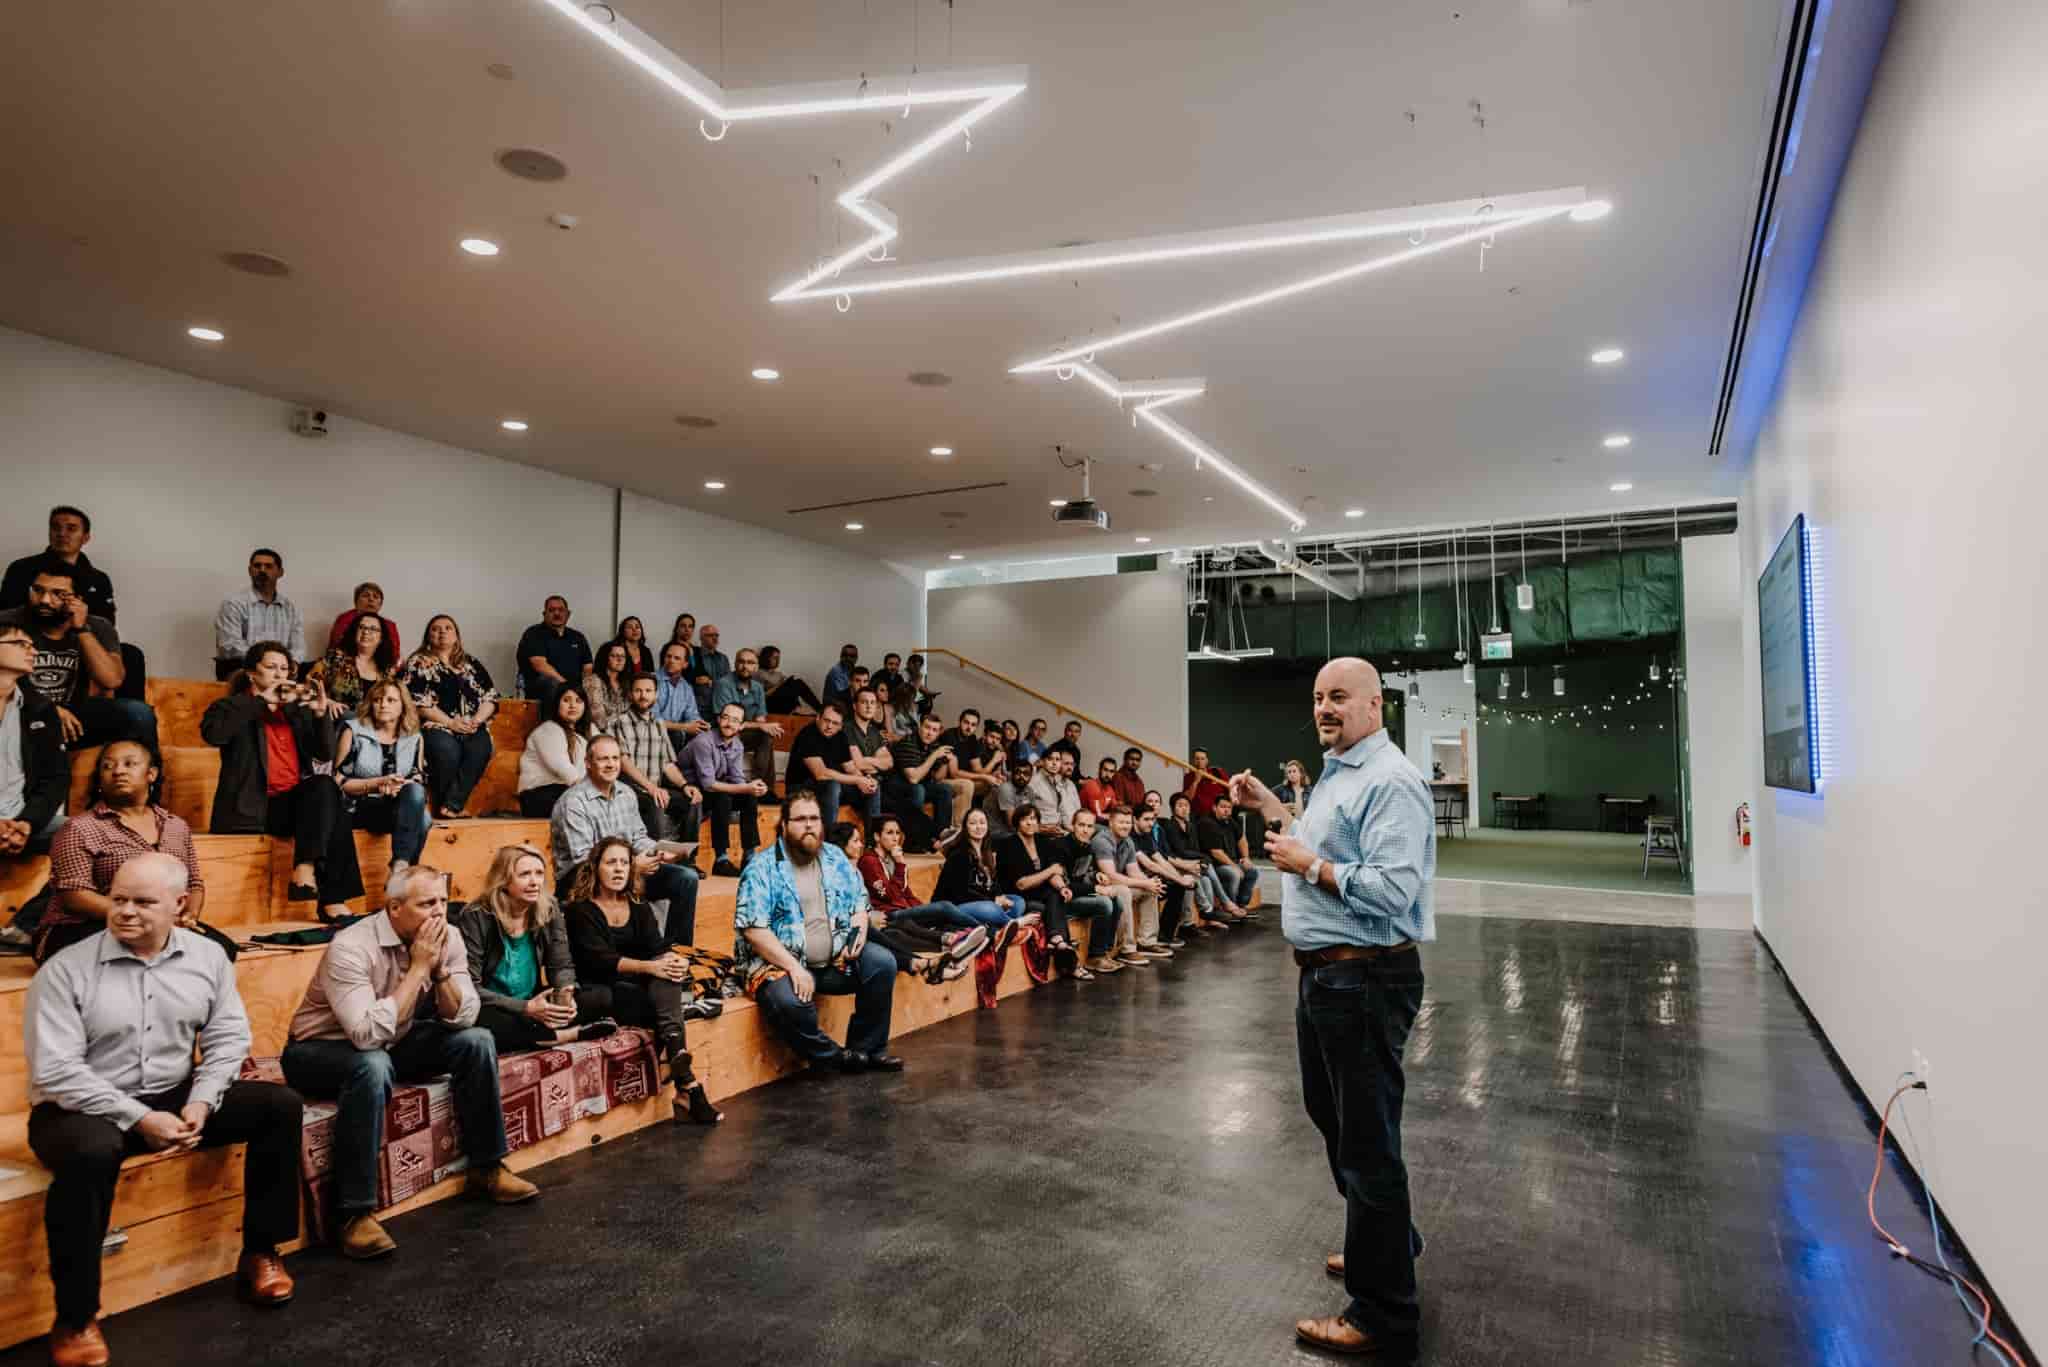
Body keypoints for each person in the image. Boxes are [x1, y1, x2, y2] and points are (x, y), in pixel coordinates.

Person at [1227, 657, 1436, 1359]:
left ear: (1375, 704)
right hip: (1328, 977)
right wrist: (1271, 809)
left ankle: (1383, 1313)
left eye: (1339, 697)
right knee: (1338, 1117)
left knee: (1367, 1140)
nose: (1325, 707)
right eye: (1319, 697)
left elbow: (1392, 892)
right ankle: (1388, 1244)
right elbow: (1318, 844)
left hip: (1365, 978)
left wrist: (1308, 866)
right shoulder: (1341, 773)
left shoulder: (1392, 781)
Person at [26, 854, 302, 1362]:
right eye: (119, 898)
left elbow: (226, 1038)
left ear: (179, 905)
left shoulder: (208, 958)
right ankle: (76, 1317)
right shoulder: (66, 970)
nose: (126, 911)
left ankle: (262, 1251)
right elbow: (56, 1072)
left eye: (143, 902)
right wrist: (140, 1119)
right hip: (78, 1107)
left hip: (173, 1092)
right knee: (92, 1153)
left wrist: (201, 1100)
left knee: (278, 1105)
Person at [282, 865, 538, 1260]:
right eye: (426, 904)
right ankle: (353, 1214)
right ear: (394, 907)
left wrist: (437, 976)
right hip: (317, 1050)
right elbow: (365, 1035)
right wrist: (418, 966)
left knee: (476, 1040)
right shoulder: (350, 946)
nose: (438, 912)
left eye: (441, 901)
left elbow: (464, 1015)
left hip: (394, 1037)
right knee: (372, 1065)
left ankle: (487, 1167)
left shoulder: (447, 936)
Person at [734, 789, 904, 1073]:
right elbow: (754, 929)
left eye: (814, 818)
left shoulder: (834, 856)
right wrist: (794, 968)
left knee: (882, 962)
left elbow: (860, 901)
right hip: (781, 965)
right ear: (784, 825)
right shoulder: (762, 867)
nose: (809, 825)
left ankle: (867, 1050)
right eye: (800, 819)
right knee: (787, 1002)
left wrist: (859, 928)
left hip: (835, 960)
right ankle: (832, 1057)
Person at [564, 836, 723, 1125]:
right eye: (611, 862)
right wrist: (652, 967)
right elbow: (601, 962)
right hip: (602, 987)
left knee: (668, 979)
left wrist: (673, 962)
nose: (618, 869)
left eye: (624, 862)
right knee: (658, 995)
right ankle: (687, 1082)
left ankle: (686, 1084)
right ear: (595, 867)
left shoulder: (638, 906)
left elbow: (657, 948)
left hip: (639, 983)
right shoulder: (580, 911)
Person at [202, 642, 363, 922]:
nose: (279, 674)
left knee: (325, 786)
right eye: (271, 667)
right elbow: (214, 734)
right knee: (331, 807)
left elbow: (324, 753)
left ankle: (305, 868)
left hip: (290, 808)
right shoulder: (230, 706)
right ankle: (332, 901)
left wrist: (320, 713)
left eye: (285, 669)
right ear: (252, 674)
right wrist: (262, 700)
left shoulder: (294, 712)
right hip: (249, 810)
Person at [40, 741, 207, 964]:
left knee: (219, 950)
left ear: (151, 774)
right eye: (108, 767)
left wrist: (188, 915)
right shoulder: (79, 827)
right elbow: (75, 896)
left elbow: (194, 883)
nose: (118, 771)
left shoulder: (176, 826)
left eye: (129, 764)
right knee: (140, 956)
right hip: (81, 926)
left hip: (159, 925)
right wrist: (146, 915)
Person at [452, 844, 616, 1055]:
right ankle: (564, 1035)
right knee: (481, 1023)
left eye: (539, 873)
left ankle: (538, 1032)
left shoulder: (549, 907)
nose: (534, 882)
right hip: (495, 1005)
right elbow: (471, 988)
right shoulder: (476, 915)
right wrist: (526, 1008)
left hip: (534, 1000)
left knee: (601, 996)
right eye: (524, 874)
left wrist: (565, 996)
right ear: (504, 880)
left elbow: (561, 965)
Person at [549, 736, 699, 940]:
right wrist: (633, 867)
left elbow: (637, 838)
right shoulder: (574, 802)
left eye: (615, 758)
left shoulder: (626, 793)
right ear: (588, 764)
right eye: (603, 759)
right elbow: (583, 860)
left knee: (686, 879)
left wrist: (658, 850)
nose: (611, 764)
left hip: (624, 870)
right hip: (579, 878)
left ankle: (677, 954)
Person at [0, 562, 155, 753]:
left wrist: (81, 629)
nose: (45, 600)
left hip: (73, 714)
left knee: (138, 713)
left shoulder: (97, 626)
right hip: (18, 709)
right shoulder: (7, 623)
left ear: (78, 599)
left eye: (58, 594)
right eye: (38, 590)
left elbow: (112, 679)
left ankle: (147, 779)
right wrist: (46, 708)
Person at [833, 821, 983, 984]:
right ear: (877, 836)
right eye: (855, 841)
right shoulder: (867, 862)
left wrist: (922, 909)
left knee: (919, 920)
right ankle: (965, 939)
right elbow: (889, 896)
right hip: (881, 917)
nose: (896, 838)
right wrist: (900, 864)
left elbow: (905, 894)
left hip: (887, 916)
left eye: (898, 833)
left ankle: (951, 947)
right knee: (939, 909)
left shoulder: (862, 868)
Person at [996, 802, 1117, 979]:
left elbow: (1054, 874)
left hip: (1042, 892)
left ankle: (1058, 942)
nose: (1030, 823)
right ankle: (1069, 955)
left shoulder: (1041, 842)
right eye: (1024, 819)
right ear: (1017, 822)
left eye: (1033, 819)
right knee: (1051, 906)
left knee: (1057, 895)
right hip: (1017, 897)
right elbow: (1022, 884)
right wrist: (1050, 872)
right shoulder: (1009, 844)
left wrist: (1062, 888)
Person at [400, 615, 497, 819]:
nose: (442, 632)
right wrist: (450, 723)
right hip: (436, 723)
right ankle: (450, 806)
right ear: (428, 636)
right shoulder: (418, 661)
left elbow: (490, 697)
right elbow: (416, 701)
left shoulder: (471, 663)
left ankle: (451, 805)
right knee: (446, 750)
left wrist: (476, 721)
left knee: (481, 748)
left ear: (456, 636)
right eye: (436, 629)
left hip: (472, 724)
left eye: (448, 628)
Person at [335, 680, 432, 875]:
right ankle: (404, 873)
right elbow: (338, 781)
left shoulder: (414, 737)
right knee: (423, 819)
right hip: (358, 807)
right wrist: (376, 784)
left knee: (417, 798)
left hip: (395, 807)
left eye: (391, 700)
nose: (383, 705)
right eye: (377, 700)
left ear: (403, 705)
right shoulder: (353, 730)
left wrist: (399, 786)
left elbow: (417, 778)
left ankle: (399, 864)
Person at [0, 623, 67, 876]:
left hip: (23, 820)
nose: (34, 652)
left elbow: (56, 778)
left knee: (88, 834)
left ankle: (34, 915)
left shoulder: (40, 708)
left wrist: (27, 823)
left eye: (32, 645)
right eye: (20, 644)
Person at [610, 672, 701, 843]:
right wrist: (651, 788)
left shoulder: (659, 724)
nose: (643, 695)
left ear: (656, 695)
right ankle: (655, 861)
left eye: (648, 691)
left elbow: (667, 764)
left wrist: (685, 785)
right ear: (630, 694)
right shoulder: (618, 722)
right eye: (638, 691)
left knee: (693, 800)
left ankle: (687, 860)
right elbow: (623, 762)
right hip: (628, 790)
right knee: (656, 802)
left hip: (654, 789)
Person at [684, 702, 767, 877]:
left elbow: (737, 779)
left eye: (735, 720)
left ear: (741, 726)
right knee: (723, 797)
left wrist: (753, 788)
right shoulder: (703, 741)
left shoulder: (737, 744)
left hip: (711, 790)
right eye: (726, 717)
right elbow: (708, 784)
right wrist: (745, 787)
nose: (729, 723)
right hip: (690, 790)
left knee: (749, 797)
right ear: (718, 719)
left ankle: (749, 856)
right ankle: (721, 860)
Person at [2, 505, 117, 623]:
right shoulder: (21, 568)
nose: (61, 534)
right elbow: (6, 614)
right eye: (55, 527)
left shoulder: (99, 579)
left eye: (71, 529)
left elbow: (107, 624)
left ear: (85, 538)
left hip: (81, 638)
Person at [1063, 809, 1140, 974]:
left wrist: (1097, 876)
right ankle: (1094, 956)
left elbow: (1084, 875)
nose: (1085, 830)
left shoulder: (1087, 846)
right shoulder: (1062, 846)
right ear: (1072, 826)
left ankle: (1104, 952)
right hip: (1063, 899)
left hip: (1080, 893)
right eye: (1081, 825)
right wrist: (1095, 888)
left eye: (1090, 826)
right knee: (1104, 903)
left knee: (1116, 900)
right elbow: (1065, 884)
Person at [1092, 805, 1172, 961]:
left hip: (1117, 882)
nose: (1125, 826)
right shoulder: (1102, 841)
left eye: (1128, 823)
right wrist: (1144, 883)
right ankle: (1126, 949)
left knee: (1150, 889)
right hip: (1100, 886)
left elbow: (1133, 871)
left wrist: (1150, 883)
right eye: (1121, 822)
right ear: (1111, 823)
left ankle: (1147, 941)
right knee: (1124, 891)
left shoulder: (1128, 841)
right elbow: (1111, 876)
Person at [214, 548, 305, 680]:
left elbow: (298, 647)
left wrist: (293, 663)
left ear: (280, 572)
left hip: (280, 673)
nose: (262, 570)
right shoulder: (233, 604)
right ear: (250, 570)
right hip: (242, 671)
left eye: (268, 566)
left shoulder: (290, 608)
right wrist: (268, 663)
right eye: (257, 566)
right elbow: (229, 645)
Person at [933, 808, 1024, 932]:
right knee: (991, 908)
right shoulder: (960, 854)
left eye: (982, 822)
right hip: (956, 906)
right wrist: (993, 900)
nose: (978, 827)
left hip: (981, 902)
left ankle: (998, 925)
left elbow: (993, 884)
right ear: (965, 827)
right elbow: (962, 892)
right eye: (973, 823)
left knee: (1018, 901)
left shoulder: (987, 853)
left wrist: (1000, 896)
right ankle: (1012, 923)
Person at [882, 711, 959, 852]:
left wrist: (946, 762)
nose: (930, 733)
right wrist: (934, 756)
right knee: (918, 789)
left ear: (938, 733)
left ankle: (943, 834)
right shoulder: (908, 743)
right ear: (919, 727)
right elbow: (913, 778)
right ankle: (914, 839)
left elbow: (937, 778)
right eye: (927, 727)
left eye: (934, 730)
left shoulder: (934, 745)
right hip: (894, 787)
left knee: (944, 789)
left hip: (917, 784)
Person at [786, 702, 876, 823]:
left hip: (830, 789)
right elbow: (821, 774)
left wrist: (865, 780)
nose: (829, 726)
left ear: (841, 725)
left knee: (873, 787)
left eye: (835, 723)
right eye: (826, 720)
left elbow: (850, 768)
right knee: (832, 785)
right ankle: (830, 836)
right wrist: (857, 780)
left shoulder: (840, 736)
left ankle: (872, 838)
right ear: (818, 718)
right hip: (800, 789)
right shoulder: (807, 735)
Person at [1165, 791, 1244, 924]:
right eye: (1180, 805)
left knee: (1206, 879)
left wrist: (1201, 859)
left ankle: (1210, 916)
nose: (1184, 808)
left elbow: (1195, 849)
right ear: (1173, 808)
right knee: (1208, 868)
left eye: (1186, 805)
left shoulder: (1191, 826)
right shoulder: (1170, 825)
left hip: (1194, 861)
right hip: (1179, 863)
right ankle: (1224, 904)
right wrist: (1200, 859)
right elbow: (1180, 851)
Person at [710, 648, 785, 787]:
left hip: (744, 733)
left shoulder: (757, 687)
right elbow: (729, 722)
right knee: (761, 731)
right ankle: (755, 787)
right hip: (724, 733)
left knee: (766, 736)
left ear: (756, 666)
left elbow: (760, 718)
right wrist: (761, 726)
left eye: (750, 663)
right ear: (735, 663)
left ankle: (762, 786)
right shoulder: (723, 684)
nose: (745, 666)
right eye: (741, 662)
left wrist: (765, 727)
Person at [517, 683, 592, 818]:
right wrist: (592, 793)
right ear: (557, 704)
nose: (573, 705)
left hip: (568, 791)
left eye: (578, 701)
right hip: (538, 795)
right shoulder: (549, 730)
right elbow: (562, 767)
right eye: (566, 700)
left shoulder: (583, 735)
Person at [308, 609, 396, 714]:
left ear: (381, 638)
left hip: (372, 724)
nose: (366, 632)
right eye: (362, 627)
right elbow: (309, 686)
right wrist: (328, 702)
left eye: (373, 629)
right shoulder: (336, 658)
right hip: (338, 719)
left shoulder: (386, 670)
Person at [1130, 805, 1193, 948]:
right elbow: (1150, 865)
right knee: (1169, 885)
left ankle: (1165, 936)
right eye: (1146, 819)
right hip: (1134, 878)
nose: (1150, 823)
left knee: (1177, 887)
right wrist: (1180, 879)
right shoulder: (1130, 836)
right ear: (1135, 819)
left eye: (1152, 819)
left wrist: (1179, 878)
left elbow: (1160, 859)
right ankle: (1149, 940)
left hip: (1146, 877)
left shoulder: (1146, 835)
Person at [516, 595, 591, 705]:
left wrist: (585, 686)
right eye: (551, 610)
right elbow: (540, 665)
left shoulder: (578, 637)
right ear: (544, 614)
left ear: (568, 614)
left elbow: (588, 667)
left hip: (575, 687)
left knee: (594, 685)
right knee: (550, 683)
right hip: (543, 686)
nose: (557, 613)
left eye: (561, 610)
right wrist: (566, 686)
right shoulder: (534, 633)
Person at [1199, 792, 1261, 911]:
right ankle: (1231, 907)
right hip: (1216, 866)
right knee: (1233, 873)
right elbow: (1216, 852)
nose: (1226, 810)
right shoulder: (1207, 823)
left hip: (1231, 862)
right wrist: (1235, 866)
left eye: (1229, 807)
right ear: (1214, 808)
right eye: (1223, 807)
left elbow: (1242, 839)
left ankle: (1241, 905)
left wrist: (1246, 858)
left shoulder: (1230, 821)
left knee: (1252, 871)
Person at [843, 686, 895, 821]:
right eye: (864, 702)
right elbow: (858, 764)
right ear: (855, 706)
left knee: (909, 797)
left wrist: (868, 760)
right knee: (874, 786)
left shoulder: (874, 731)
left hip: (875, 780)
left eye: (872, 703)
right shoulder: (847, 728)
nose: (868, 706)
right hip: (852, 783)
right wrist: (876, 761)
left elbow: (889, 762)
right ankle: (871, 839)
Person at [654, 641, 709, 747]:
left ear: (685, 664)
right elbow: (651, 719)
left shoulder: (686, 687)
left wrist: (701, 724)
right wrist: (683, 727)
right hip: (654, 734)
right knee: (676, 735)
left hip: (677, 736)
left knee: (706, 736)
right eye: (668, 656)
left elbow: (692, 715)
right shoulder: (651, 681)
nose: (671, 660)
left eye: (677, 658)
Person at [937, 709, 1003, 798]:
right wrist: (985, 776)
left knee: (993, 784)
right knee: (968, 785)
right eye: (966, 723)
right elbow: (954, 773)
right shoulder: (949, 736)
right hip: (943, 779)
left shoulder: (972, 739)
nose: (969, 728)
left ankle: (977, 811)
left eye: (973, 725)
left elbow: (978, 770)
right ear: (959, 722)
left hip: (960, 778)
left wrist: (992, 775)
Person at [324, 582, 398, 656]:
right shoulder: (344, 620)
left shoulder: (389, 626)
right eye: (366, 595)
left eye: (375, 597)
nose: (371, 599)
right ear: (356, 602)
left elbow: (394, 654)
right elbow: (337, 648)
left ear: (380, 605)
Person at [1026, 748, 1082, 836]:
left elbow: (1062, 812)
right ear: (1042, 762)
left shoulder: (1057, 782)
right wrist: (1040, 829)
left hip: (1058, 830)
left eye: (1057, 760)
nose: (1054, 763)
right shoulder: (1033, 783)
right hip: (1042, 833)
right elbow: (1024, 815)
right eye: (1050, 759)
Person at [755, 644, 822, 715]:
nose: (778, 660)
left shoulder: (778, 674)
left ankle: (800, 710)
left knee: (795, 684)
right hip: (770, 704)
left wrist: (787, 682)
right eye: (775, 658)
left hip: (782, 703)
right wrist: (778, 685)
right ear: (766, 658)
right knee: (798, 683)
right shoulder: (759, 674)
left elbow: (790, 690)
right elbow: (761, 697)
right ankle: (819, 709)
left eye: (778, 658)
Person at [584, 639, 632, 733]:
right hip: (600, 732)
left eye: (623, 656)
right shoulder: (593, 681)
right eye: (614, 656)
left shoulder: (626, 682)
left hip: (625, 730)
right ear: (605, 658)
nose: (620, 660)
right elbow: (598, 718)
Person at [985, 755, 1037, 840]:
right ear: (1012, 774)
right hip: (997, 832)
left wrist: (1041, 828)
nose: (1021, 776)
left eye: (1026, 773)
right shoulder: (1006, 789)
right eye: (1018, 772)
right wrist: (1036, 830)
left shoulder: (1029, 791)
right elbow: (1012, 824)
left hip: (1014, 830)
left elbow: (1033, 816)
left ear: (1031, 776)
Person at [691, 623, 731, 714]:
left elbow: (728, 682)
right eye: (710, 635)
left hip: (721, 703)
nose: (715, 638)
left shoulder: (723, 658)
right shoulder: (694, 656)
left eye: (716, 635)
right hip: (700, 705)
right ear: (701, 638)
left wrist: (711, 681)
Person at [1182, 747, 1229, 815]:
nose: (1200, 761)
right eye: (1197, 758)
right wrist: (1196, 782)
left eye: (1202, 759)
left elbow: (1231, 791)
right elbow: (1187, 799)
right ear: (1193, 761)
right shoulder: (1188, 777)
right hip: (1199, 816)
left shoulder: (1217, 772)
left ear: (1207, 760)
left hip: (1219, 814)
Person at [822, 643, 860, 711]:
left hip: (847, 703)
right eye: (845, 655)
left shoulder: (854, 670)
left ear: (856, 658)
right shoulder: (836, 671)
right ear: (840, 656)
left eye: (852, 656)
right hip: (835, 705)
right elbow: (846, 694)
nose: (848, 658)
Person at [1110, 747, 1149, 811]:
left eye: (1138, 760)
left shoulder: (1139, 781)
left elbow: (1142, 803)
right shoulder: (1118, 777)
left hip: (1137, 816)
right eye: (1132, 759)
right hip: (1123, 815)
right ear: (1125, 760)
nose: (1134, 763)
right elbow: (1119, 804)